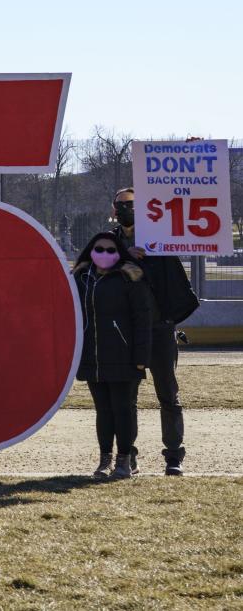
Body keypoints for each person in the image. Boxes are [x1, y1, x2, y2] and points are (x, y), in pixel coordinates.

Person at [109, 187, 199, 475]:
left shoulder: (160, 239)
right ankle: (128, 455)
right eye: (122, 205)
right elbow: (92, 267)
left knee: (168, 394)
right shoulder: (109, 243)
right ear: (114, 210)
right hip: (127, 332)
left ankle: (174, 455)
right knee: (127, 397)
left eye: (132, 204)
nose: (127, 209)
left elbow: (186, 212)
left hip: (160, 328)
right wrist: (125, 255)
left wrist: (192, 153)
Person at [73, 231, 153, 480]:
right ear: (90, 250)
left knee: (123, 409)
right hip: (92, 357)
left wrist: (141, 356)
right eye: (99, 249)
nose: (104, 254)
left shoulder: (130, 276)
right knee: (103, 411)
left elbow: (143, 318)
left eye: (110, 250)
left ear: (119, 252)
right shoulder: (80, 278)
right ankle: (104, 459)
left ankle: (125, 460)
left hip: (124, 355)